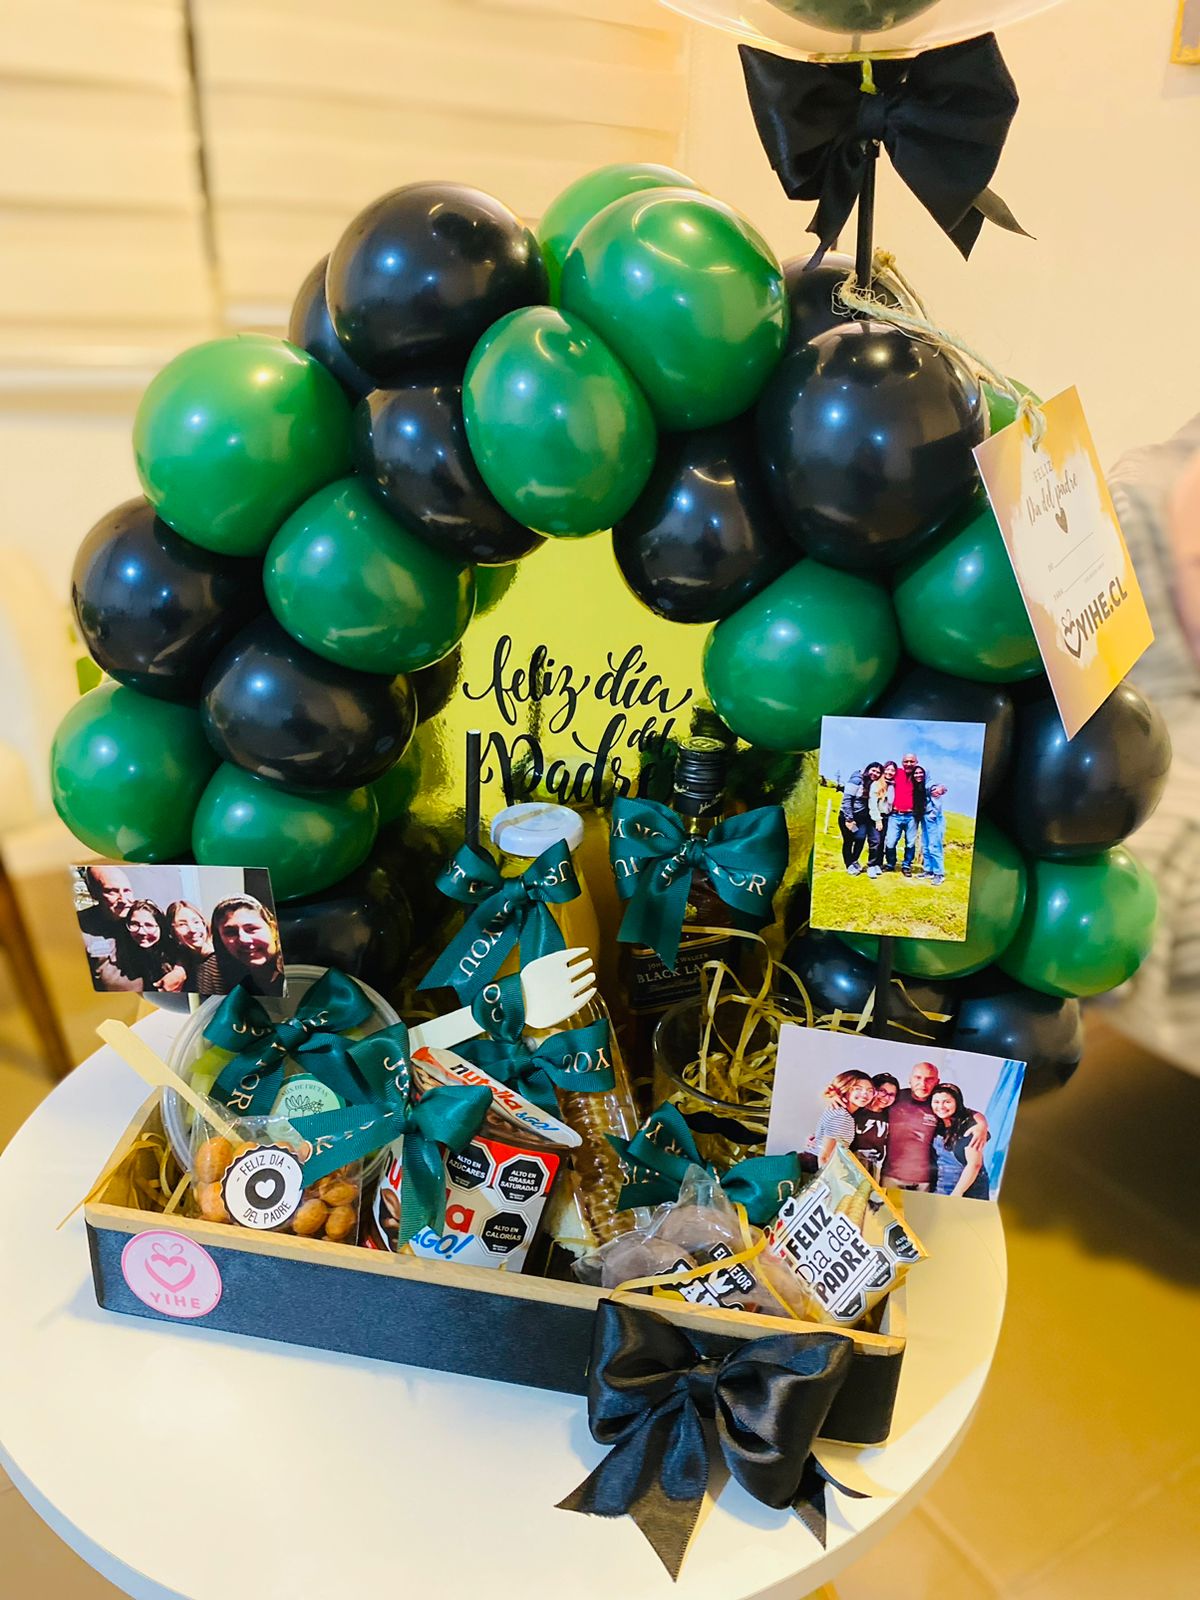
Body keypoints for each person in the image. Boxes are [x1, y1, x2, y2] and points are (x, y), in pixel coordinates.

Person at [881, 1060, 988, 1191]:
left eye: (929, 1079)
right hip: (891, 1177)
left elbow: (965, 1111)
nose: (923, 1083)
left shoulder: (937, 1105)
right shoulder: (895, 1099)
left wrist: (982, 1124)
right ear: (910, 1079)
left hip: (925, 1182)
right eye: (918, 1077)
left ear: (937, 1082)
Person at [199, 894, 285, 996]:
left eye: (252, 929)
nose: (244, 940)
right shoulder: (212, 972)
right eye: (230, 932)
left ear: (273, 929)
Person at [78, 865, 140, 990]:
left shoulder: (143, 917)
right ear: (93, 893)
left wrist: (178, 971)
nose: (123, 899)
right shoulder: (77, 927)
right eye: (112, 891)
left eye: (127, 891)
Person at [111, 900, 189, 993]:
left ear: (160, 926)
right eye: (134, 924)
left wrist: (180, 970)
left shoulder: (178, 952)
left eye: (149, 925)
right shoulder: (125, 951)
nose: (141, 932)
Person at [931, 1083, 991, 1199]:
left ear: (957, 1103)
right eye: (936, 1102)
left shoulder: (970, 1128)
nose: (941, 1106)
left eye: (947, 1102)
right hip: (941, 1188)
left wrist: (957, 1193)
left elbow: (974, 1165)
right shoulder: (937, 1123)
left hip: (968, 1192)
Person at [811, 1070, 876, 1164]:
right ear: (845, 1088)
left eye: (870, 1090)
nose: (865, 1094)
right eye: (857, 1088)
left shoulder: (840, 1111)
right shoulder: (842, 1116)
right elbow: (825, 1158)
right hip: (819, 1167)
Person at [838, 761, 883, 875]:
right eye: (873, 770)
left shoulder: (872, 784)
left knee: (860, 839)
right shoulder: (856, 780)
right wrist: (849, 819)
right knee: (849, 841)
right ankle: (849, 865)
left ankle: (854, 860)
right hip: (848, 817)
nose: (875, 774)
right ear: (868, 769)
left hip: (861, 819)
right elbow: (847, 800)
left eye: (878, 772)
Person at [851, 1072, 899, 1177]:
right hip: (849, 1167)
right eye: (882, 1091)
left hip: (873, 1169)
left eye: (891, 1095)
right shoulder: (856, 1110)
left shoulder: (891, 1116)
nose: (886, 1097)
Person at [885, 752, 920, 874]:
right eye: (906, 761)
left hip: (911, 816)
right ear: (902, 762)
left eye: (911, 761)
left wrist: (939, 787)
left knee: (910, 843)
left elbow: (929, 783)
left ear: (916, 762)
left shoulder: (918, 775)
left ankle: (906, 866)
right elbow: (884, 774)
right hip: (895, 815)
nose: (909, 764)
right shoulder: (897, 772)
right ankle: (890, 864)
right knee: (890, 842)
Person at [914, 764, 949, 886]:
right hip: (925, 818)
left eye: (921, 773)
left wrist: (933, 815)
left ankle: (939, 873)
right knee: (926, 845)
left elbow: (937, 800)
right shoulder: (919, 786)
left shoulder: (929, 785)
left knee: (934, 846)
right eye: (916, 773)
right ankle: (928, 871)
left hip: (933, 819)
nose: (918, 775)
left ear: (925, 774)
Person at [164, 901, 214, 985]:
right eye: (182, 924)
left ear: (204, 924)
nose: (192, 930)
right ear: (172, 932)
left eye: (196, 922)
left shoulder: (218, 959)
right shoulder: (185, 957)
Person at [867, 761, 896, 878]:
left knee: (882, 841)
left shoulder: (892, 785)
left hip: (887, 817)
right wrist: (877, 819)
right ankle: (871, 865)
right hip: (876, 816)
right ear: (884, 770)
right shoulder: (876, 784)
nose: (890, 772)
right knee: (875, 841)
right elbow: (872, 803)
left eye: (892, 770)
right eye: (888, 769)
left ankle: (878, 863)